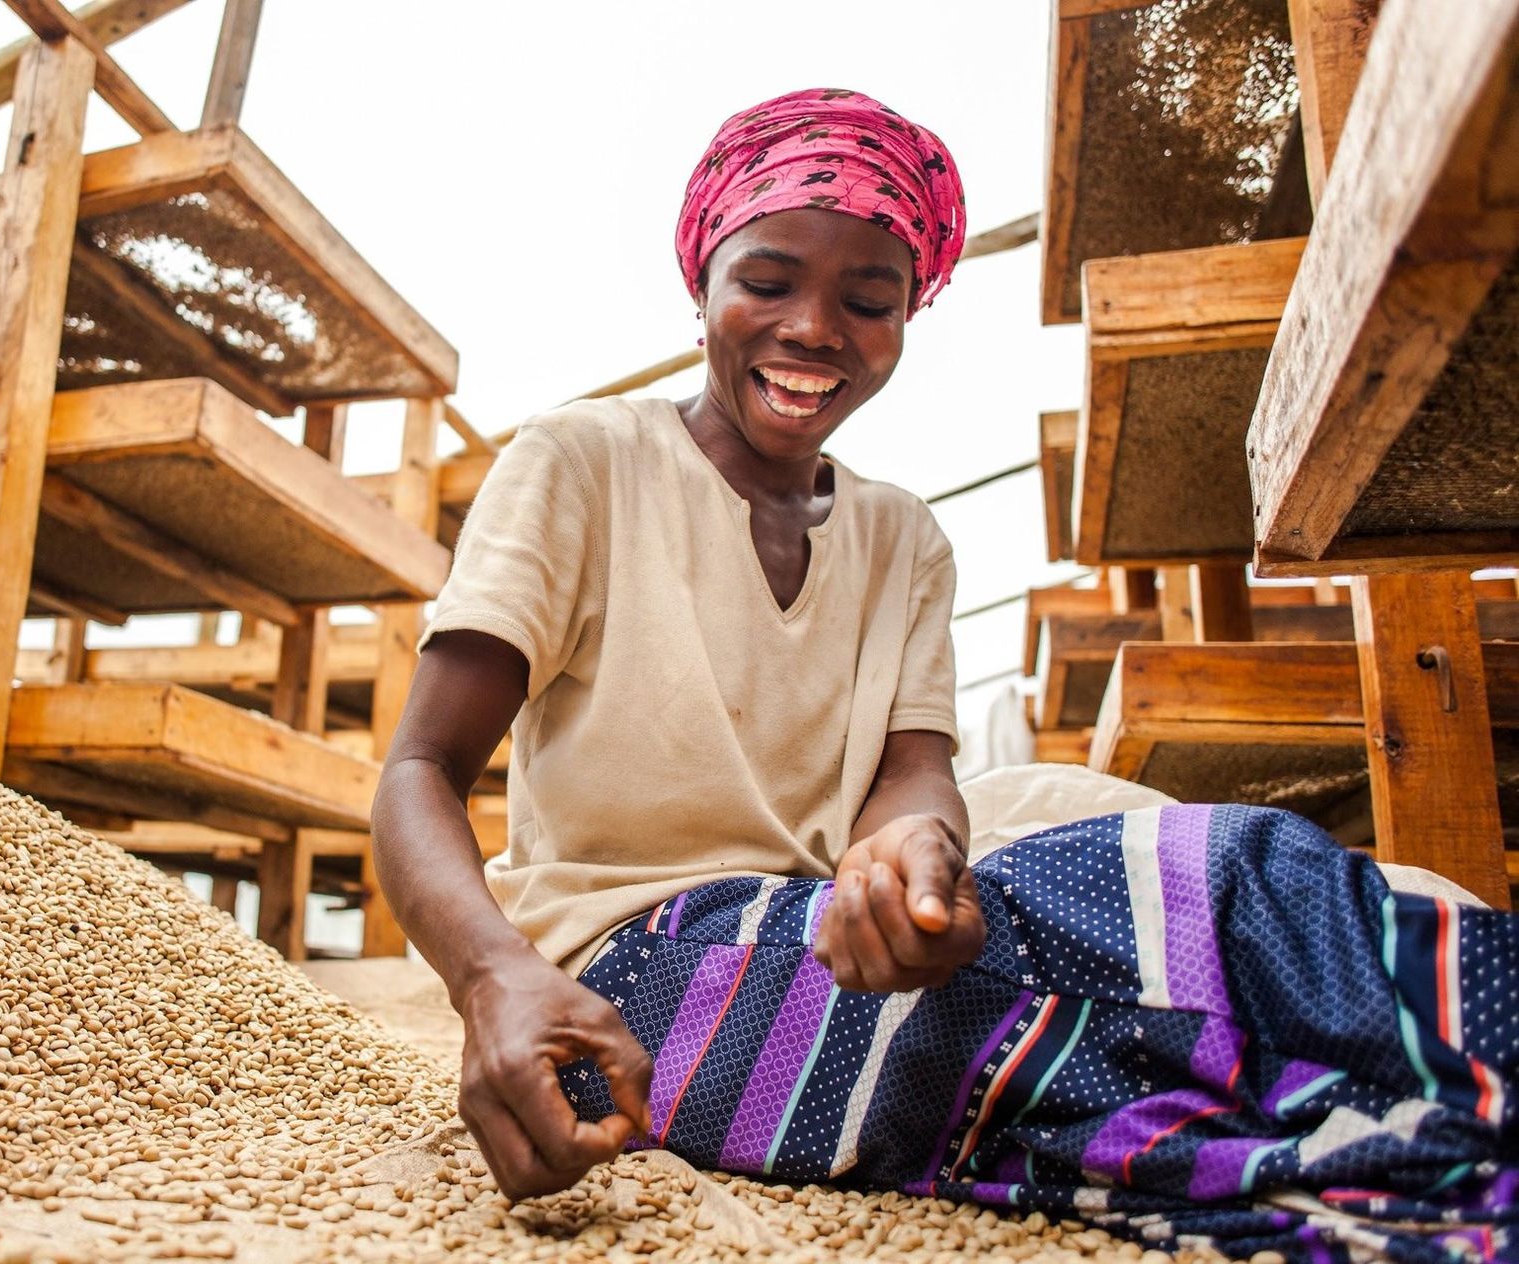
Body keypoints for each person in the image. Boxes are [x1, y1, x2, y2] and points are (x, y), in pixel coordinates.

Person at [371, 90, 1517, 1264]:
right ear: (701, 277)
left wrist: (906, 860)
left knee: (1199, 937)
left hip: (820, 928)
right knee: (1178, 938)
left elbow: (915, 775)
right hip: (620, 973)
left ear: (908, 312)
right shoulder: (583, 460)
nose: (815, 327)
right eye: (767, 280)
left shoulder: (903, 536)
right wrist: (494, 976)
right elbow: (419, 768)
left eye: (869, 300)